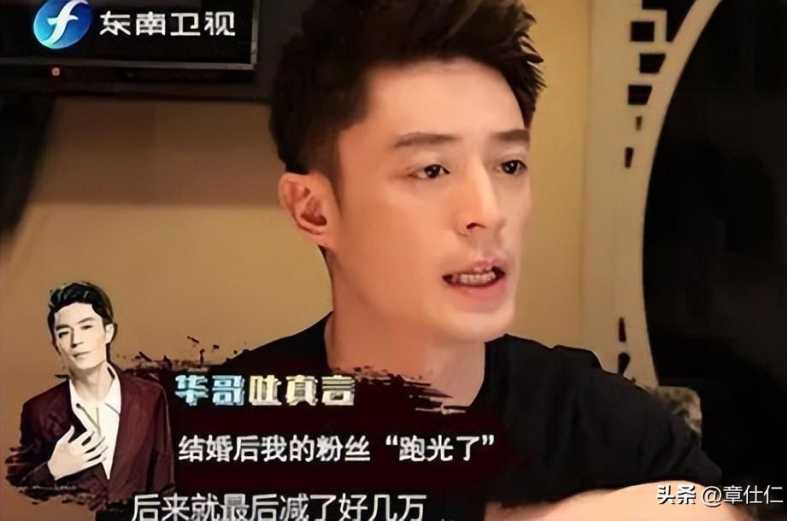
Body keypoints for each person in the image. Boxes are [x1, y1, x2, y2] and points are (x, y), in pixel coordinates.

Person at [226, 0, 750, 519]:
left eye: (509, 165)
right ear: (314, 210)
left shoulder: (606, 430)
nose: (489, 211)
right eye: (431, 170)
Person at [6, 281, 174, 513]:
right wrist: (53, 469)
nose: (76, 340)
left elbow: (163, 487)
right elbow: (18, 500)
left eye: (86, 327)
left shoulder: (149, 397)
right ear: (56, 344)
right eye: (64, 332)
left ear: (108, 332)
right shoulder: (38, 411)